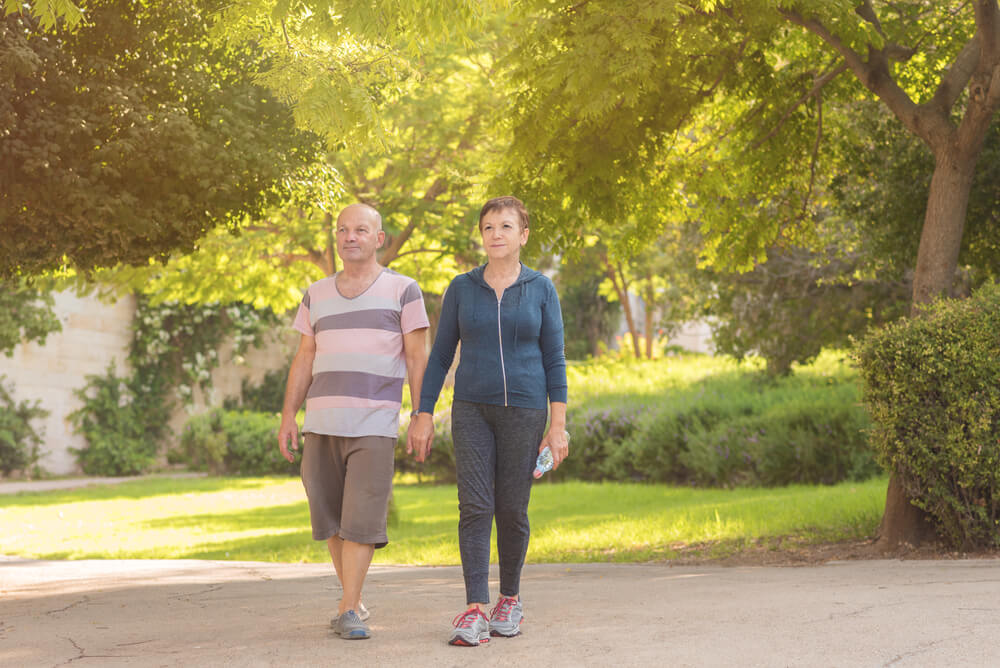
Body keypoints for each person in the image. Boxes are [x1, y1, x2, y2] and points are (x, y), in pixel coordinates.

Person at [411, 195, 569, 646]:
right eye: (488, 227)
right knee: (475, 506)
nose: (495, 234)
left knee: (512, 509)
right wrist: (423, 412)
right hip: (471, 409)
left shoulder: (541, 289)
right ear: (481, 236)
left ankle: (510, 599)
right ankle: (474, 608)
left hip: (525, 410)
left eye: (505, 226)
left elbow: (554, 360)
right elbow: (441, 355)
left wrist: (557, 426)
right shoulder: (462, 288)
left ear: (523, 235)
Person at [278, 203, 431, 640]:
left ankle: (347, 609)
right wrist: (289, 415)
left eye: (361, 230)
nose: (350, 236)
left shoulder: (404, 290)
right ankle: (354, 600)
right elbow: (304, 357)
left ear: (378, 239)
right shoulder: (316, 293)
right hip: (321, 422)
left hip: (374, 423)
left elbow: (418, 358)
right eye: (343, 230)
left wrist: (422, 415)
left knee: (362, 516)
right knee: (329, 517)